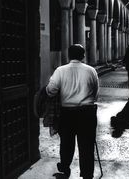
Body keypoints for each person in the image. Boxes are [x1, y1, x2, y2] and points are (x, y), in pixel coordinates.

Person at [46, 44, 99, 179]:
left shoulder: (60, 70)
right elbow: (96, 94)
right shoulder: (91, 71)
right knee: (87, 145)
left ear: (69, 55)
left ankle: (64, 167)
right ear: (83, 55)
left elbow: (51, 91)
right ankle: (87, 174)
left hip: (67, 113)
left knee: (66, 143)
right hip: (87, 113)